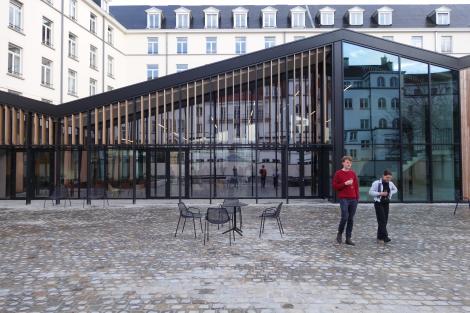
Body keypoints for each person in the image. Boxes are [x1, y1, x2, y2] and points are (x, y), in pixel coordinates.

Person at [332, 156, 359, 246]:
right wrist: (345, 184)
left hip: (353, 199)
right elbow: (335, 186)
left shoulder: (353, 173)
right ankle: (339, 233)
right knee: (345, 217)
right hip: (344, 198)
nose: (349, 164)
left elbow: (356, 187)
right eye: (347, 162)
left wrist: (357, 198)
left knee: (351, 219)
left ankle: (348, 238)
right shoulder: (338, 173)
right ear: (343, 163)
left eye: (350, 163)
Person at [369, 170, 398, 243]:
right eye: (387, 177)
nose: (388, 179)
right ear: (383, 176)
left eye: (390, 178)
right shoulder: (376, 183)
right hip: (378, 203)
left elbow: (395, 190)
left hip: (386, 203)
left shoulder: (390, 183)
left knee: (385, 220)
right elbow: (370, 192)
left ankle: (379, 237)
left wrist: (390, 193)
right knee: (382, 220)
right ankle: (385, 236)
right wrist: (380, 193)